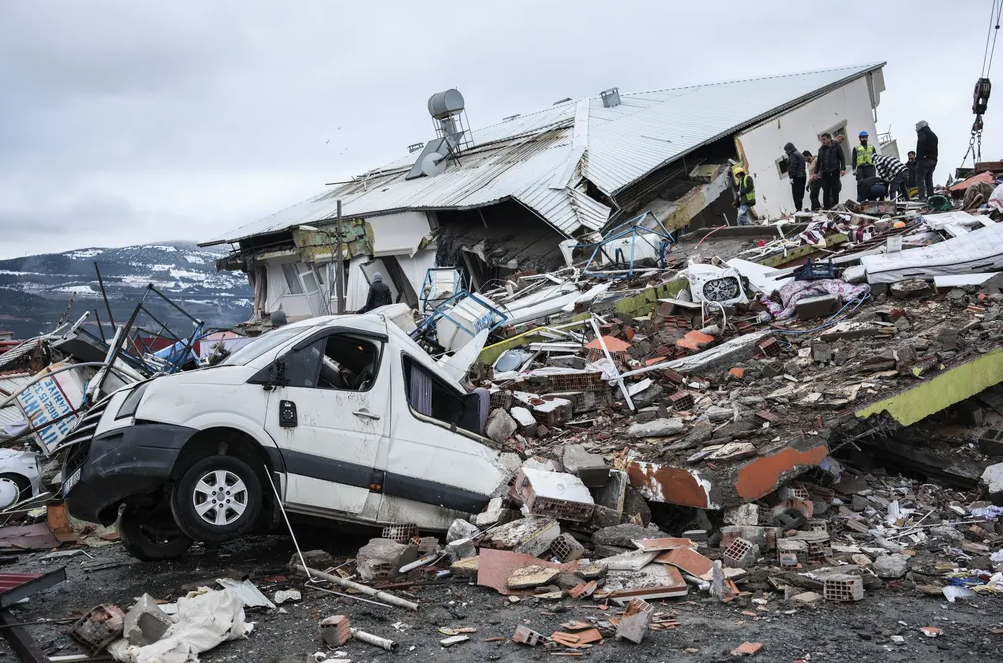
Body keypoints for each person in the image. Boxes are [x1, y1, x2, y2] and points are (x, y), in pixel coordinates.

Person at [815, 133, 846, 209]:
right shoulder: (821, 150)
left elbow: (842, 158)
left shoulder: (837, 146)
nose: (823, 141)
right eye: (822, 140)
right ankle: (826, 207)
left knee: (835, 190)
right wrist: (815, 173)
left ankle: (835, 207)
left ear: (829, 139)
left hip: (834, 171)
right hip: (825, 173)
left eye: (824, 139)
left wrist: (842, 169)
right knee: (826, 191)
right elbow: (818, 162)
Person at [915, 121, 939, 200]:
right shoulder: (933, 135)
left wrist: (919, 157)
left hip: (925, 159)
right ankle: (930, 196)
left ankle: (922, 197)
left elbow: (921, 144)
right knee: (929, 178)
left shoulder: (922, 132)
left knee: (920, 178)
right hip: (934, 159)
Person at [784, 142, 807, 212]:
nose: (786, 152)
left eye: (786, 151)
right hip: (803, 175)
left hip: (797, 177)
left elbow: (793, 166)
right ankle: (799, 208)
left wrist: (791, 177)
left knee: (796, 194)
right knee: (800, 194)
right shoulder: (799, 154)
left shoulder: (793, 155)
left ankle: (798, 209)